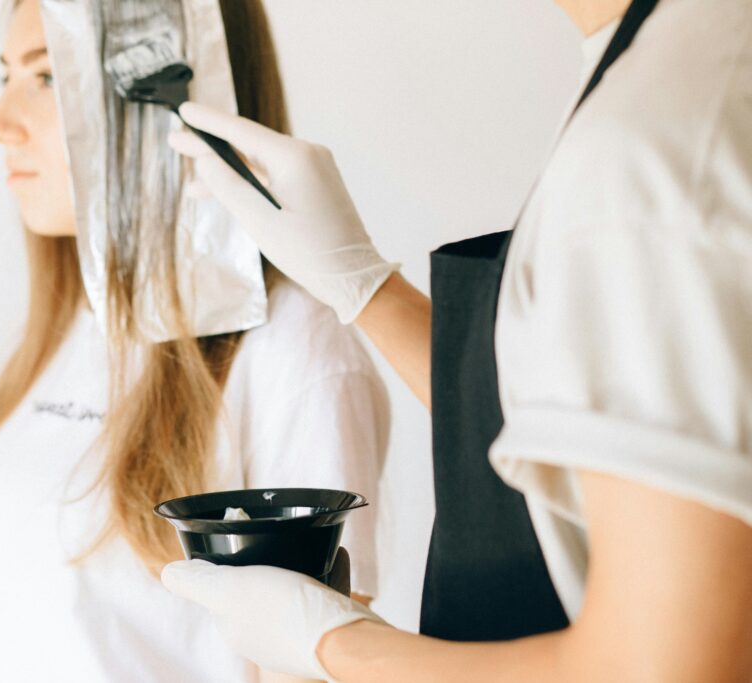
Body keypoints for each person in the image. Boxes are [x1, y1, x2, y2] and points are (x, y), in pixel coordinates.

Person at [160, 0, 752, 680]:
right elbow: (586, 430)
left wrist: (333, 644)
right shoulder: (674, 62)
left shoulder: (658, 144)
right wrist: (366, 288)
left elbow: (659, 669)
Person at [0, 1, 389, 681]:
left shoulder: (294, 351)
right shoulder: (69, 326)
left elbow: (318, 664)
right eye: (7, 75)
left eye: (49, 76)